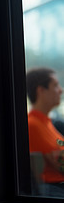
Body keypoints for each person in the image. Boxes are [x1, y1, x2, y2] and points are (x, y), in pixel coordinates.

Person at [26, 67, 64, 196]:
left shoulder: (46, 122)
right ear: (41, 91)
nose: (61, 90)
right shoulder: (33, 125)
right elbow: (60, 164)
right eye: (55, 85)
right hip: (55, 191)